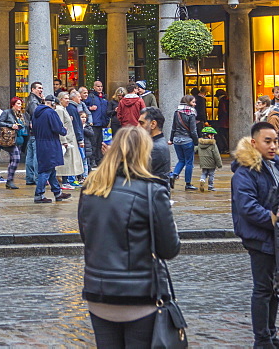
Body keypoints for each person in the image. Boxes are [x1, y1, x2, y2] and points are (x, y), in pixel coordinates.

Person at [78, 126, 180, 348]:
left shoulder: (90, 187)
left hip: (98, 292)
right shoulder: (153, 191)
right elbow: (169, 249)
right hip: (138, 295)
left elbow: (87, 236)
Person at [230, 122, 279, 349]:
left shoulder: (277, 165)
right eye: (268, 141)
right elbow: (247, 207)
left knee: (274, 288)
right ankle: (262, 339)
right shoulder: (245, 171)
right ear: (254, 143)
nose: (273, 146)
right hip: (259, 236)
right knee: (263, 289)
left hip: (276, 234)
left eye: (276, 141)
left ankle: (271, 335)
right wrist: (275, 219)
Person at [31, 96, 72, 204]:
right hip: (50, 143)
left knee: (51, 169)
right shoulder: (50, 113)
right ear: (53, 104)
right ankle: (39, 194)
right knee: (46, 170)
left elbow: (33, 128)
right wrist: (64, 130)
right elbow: (58, 128)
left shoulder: (36, 114)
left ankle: (57, 192)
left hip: (40, 142)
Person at [169, 96, 199, 191]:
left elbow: (173, 127)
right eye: (193, 102)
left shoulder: (177, 112)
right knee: (189, 162)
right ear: (188, 102)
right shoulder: (191, 113)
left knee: (181, 160)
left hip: (177, 140)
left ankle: (174, 175)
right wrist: (196, 142)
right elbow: (193, 131)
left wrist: (171, 139)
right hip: (187, 140)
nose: (195, 104)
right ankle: (188, 183)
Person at [57, 92, 84, 189]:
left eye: (68, 98)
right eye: (65, 98)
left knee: (68, 162)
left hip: (69, 139)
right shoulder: (60, 109)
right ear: (60, 99)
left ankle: (66, 181)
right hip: (66, 140)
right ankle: (64, 182)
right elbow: (60, 126)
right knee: (65, 162)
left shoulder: (64, 109)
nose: (68, 100)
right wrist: (64, 140)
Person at [0, 97, 26, 189]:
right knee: (16, 159)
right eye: (18, 104)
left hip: (19, 139)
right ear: (13, 104)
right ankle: (10, 180)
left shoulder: (20, 114)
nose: (20, 106)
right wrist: (11, 125)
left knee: (13, 159)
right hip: (10, 139)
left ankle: (10, 181)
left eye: (20, 104)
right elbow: (0, 122)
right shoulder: (7, 112)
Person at [138, 107, 170, 179]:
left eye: (141, 123)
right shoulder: (156, 143)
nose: (138, 127)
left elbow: (137, 172)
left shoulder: (156, 148)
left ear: (153, 124)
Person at [25, 82, 45, 185]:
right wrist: (43, 103)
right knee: (36, 156)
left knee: (31, 156)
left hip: (32, 132)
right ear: (33, 89)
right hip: (36, 132)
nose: (41, 90)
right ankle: (37, 178)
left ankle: (30, 178)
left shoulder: (32, 100)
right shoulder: (33, 101)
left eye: (41, 88)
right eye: (38, 88)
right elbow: (36, 114)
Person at [86, 81, 108, 168]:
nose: (100, 88)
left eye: (101, 86)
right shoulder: (91, 97)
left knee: (101, 143)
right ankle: (93, 160)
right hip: (94, 124)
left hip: (103, 124)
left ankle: (100, 160)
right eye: (98, 86)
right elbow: (82, 107)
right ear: (94, 87)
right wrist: (89, 108)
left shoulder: (104, 98)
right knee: (93, 143)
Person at [197, 125, 222, 192]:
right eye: (212, 135)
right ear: (209, 135)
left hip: (203, 163)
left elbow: (195, 149)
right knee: (211, 175)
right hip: (211, 163)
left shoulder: (200, 144)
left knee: (204, 173)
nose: (213, 137)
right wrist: (219, 164)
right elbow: (216, 155)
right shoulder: (212, 144)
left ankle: (202, 180)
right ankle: (210, 186)